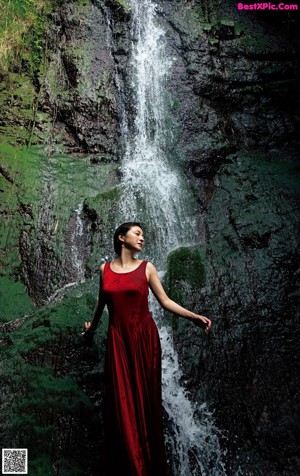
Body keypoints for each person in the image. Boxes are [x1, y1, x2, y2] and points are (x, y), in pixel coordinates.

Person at [82, 222, 212, 476]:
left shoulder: (147, 268)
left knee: (144, 402)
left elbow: (164, 301)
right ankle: (131, 467)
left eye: (144, 235)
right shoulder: (104, 270)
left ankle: (148, 467)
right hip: (118, 342)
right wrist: (91, 329)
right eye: (137, 233)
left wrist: (193, 316)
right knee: (121, 404)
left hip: (144, 341)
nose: (142, 238)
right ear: (121, 237)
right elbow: (101, 305)